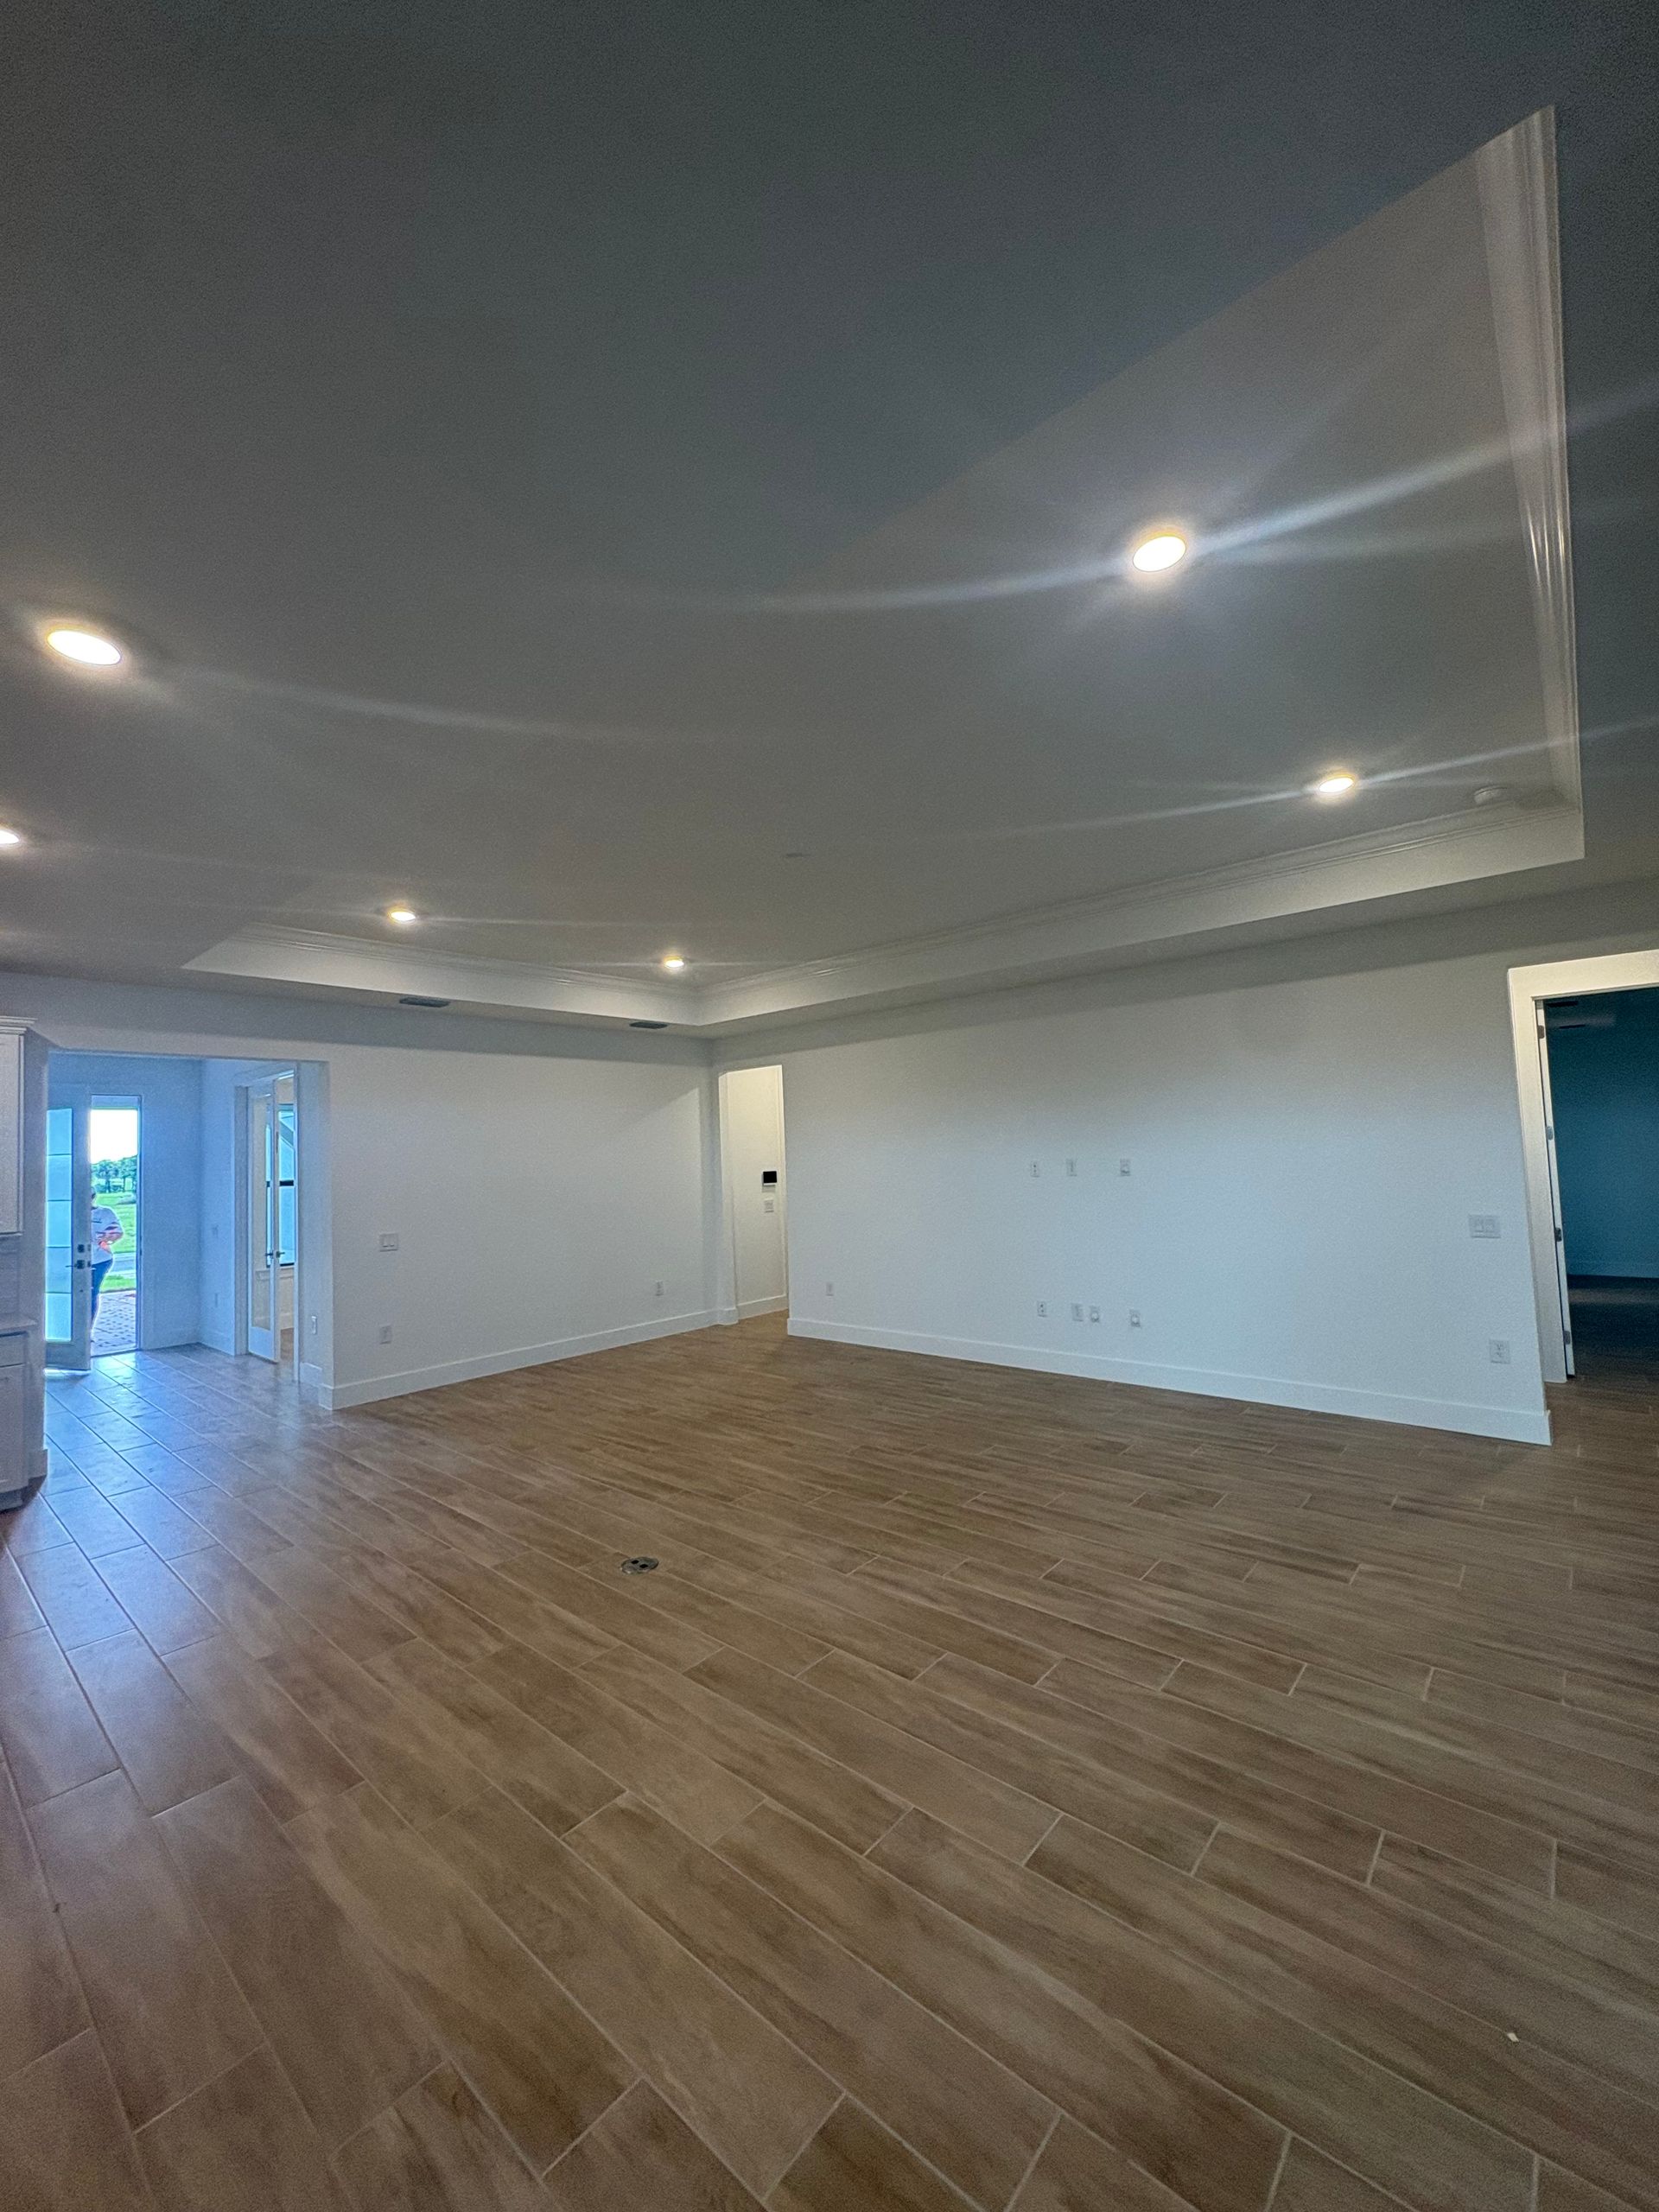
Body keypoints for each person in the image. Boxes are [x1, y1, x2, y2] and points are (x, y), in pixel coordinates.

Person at [89, 1200, 124, 1325]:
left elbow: (117, 1233)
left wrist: (105, 1239)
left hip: (99, 1260)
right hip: (71, 1261)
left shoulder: (105, 1213)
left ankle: (87, 1327)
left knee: (91, 1293)